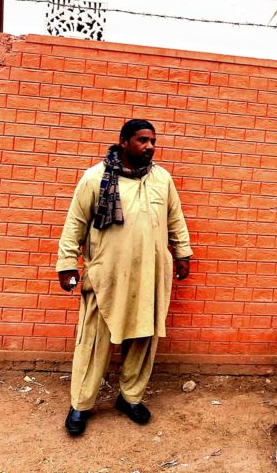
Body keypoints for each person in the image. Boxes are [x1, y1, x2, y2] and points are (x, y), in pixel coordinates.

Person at [56, 119, 193, 436]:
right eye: (143, 140)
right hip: (107, 275)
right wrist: (67, 264)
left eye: (153, 141)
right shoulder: (95, 178)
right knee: (93, 341)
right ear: (123, 142)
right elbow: (75, 223)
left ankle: (130, 397)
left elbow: (175, 218)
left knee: (144, 339)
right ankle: (81, 404)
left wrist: (183, 253)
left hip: (150, 275)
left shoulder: (161, 179)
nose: (150, 146)